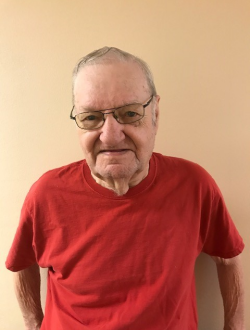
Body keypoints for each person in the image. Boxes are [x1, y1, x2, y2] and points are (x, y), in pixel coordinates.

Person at [6, 47, 245, 330]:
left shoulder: (194, 186)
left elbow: (228, 259)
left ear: (155, 113)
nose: (110, 135)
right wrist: (34, 323)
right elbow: (22, 263)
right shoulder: (46, 195)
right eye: (91, 117)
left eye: (130, 113)